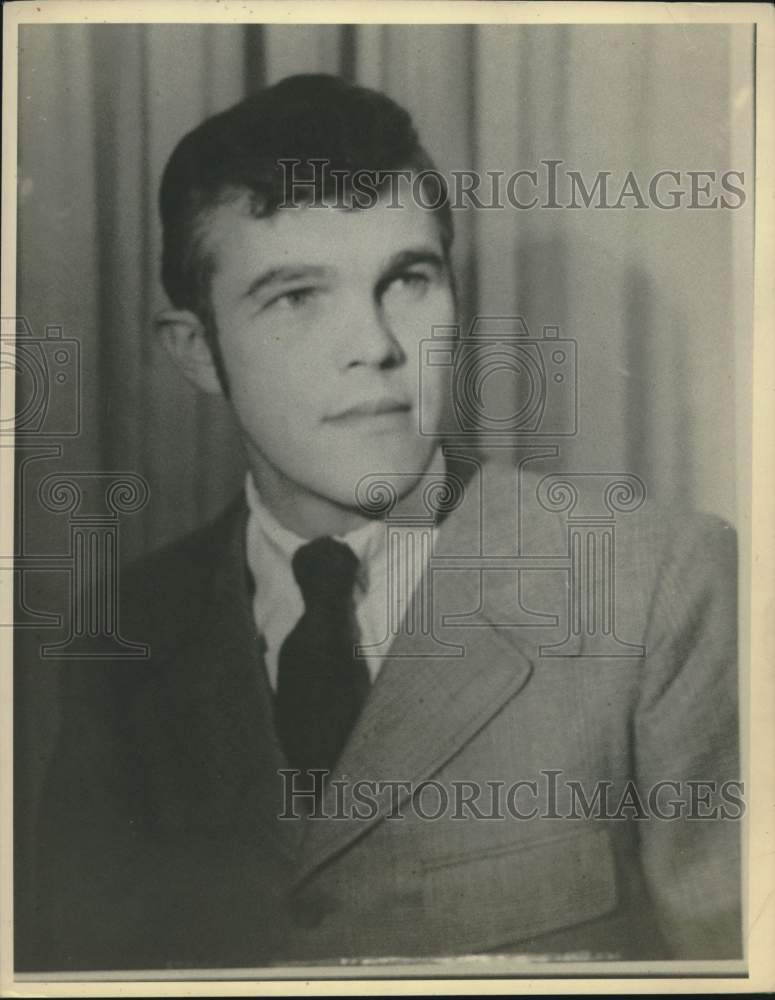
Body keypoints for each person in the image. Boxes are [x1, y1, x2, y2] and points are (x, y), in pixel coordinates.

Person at [23, 73, 741, 971]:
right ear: (197, 351)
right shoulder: (124, 634)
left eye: (406, 279)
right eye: (295, 297)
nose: (374, 345)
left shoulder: (656, 588)